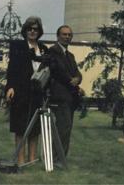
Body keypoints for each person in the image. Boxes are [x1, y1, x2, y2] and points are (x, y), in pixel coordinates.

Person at [5, 16, 48, 166]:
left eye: (35, 29)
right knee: (20, 128)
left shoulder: (43, 48)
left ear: (39, 31)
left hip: (37, 93)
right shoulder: (18, 46)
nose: (32, 31)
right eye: (29, 28)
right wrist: (10, 87)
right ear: (25, 30)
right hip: (21, 92)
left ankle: (32, 159)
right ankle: (21, 160)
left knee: (35, 129)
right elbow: (12, 69)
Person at [48, 25, 82, 158]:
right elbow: (58, 71)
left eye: (69, 35)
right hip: (59, 95)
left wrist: (78, 79)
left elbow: (77, 72)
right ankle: (56, 158)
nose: (67, 37)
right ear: (58, 36)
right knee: (62, 128)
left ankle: (61, 157)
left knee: (67, 128)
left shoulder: (70, 55)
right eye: (64, 34)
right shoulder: (53, 51)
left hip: (70, 96)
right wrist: (71, 80)